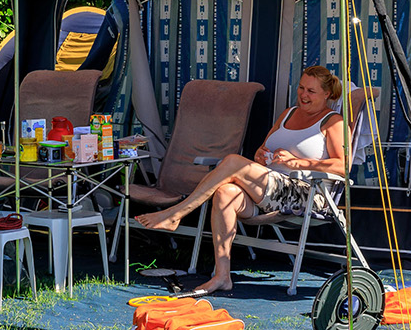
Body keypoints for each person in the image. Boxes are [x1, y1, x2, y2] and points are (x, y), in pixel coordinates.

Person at [132, 65, 372, 295]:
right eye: (301, 88)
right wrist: (260, 154)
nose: (303, 95)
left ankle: (176, 214)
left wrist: (298, 163)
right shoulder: (288, 114)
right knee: (225, 192)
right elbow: (263, 148)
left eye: (311, 91)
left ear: (327, 94)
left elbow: (344, 166)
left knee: (233, 161)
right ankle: (222, 276)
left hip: (307, 194)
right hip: (269, 190)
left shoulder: (333, 121)